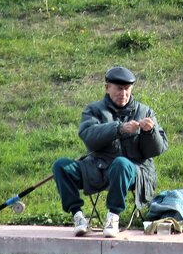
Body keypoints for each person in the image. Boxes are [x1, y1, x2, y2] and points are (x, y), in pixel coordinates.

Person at [53, 66, 168, 238]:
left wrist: (149, 132)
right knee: (61, 166)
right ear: (107, 88)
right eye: (118, 89)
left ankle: (113, 217)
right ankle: (78, 216)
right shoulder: (93, 110)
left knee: (121, 164)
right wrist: (119, 129)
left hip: (134, 170)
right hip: (98, 167)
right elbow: (88, 136)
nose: (123, 93)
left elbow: (156, 150)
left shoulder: (145, 112)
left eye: (127, 89)